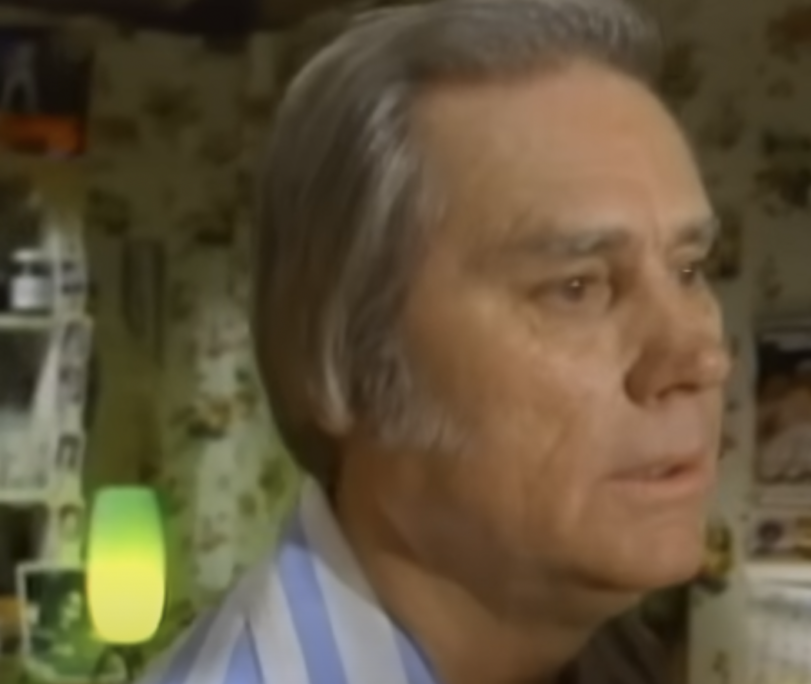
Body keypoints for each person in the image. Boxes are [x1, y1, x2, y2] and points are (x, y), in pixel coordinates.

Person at [138, 0, 728, 682]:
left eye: (688, 270)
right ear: (346, 351)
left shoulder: (610, 654)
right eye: (576, 287)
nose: (698, 358)